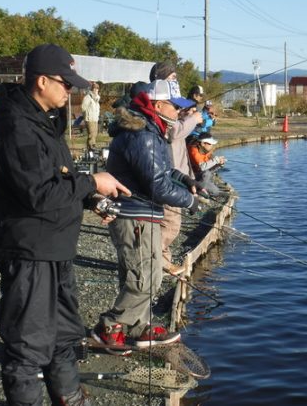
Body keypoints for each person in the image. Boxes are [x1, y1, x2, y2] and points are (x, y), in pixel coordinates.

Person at [0, 43, 130, 406]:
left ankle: (70, 398)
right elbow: (39, 194)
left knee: (65, 337)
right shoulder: (17, 128)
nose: (71, 91)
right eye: (65, 84)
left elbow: (60, 178)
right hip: (31, 253)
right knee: (27, 348)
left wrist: (91, 198)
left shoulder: (46, 124)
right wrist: (91, 183)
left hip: (56, 250)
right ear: (41, 81)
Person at [92, 79, 199, 350]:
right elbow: (157, 185)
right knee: (143, 280)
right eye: (175, 106)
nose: (179, 112)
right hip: (133, 215)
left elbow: (161, 170)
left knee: (148, 276)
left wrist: (186, 180)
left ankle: (138, 327)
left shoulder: (152, 130)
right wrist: (190, 202)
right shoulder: (142, 134)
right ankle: (109, 326)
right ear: (158, 104)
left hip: (144, 215)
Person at [161, 99, 204, 275]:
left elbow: (184, 157)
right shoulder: (170, 126)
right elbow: (174, 134)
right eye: (178, 108)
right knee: (170, 224)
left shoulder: (179, 126)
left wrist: (192, 181)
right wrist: (193, 119)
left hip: (179, 180)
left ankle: (162, 261)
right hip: (170, 182)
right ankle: (159, 263)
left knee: (170, 223)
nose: (181, 111)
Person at [188, 132, 226, 196]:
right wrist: (216, 160)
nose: (212, 145)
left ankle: (200, 188)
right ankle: (199, 191)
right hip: (191, 175)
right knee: (206, 173)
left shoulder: (206, 151)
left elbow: (210, 168)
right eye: (210, 144)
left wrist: (219, 164)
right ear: (203, 144)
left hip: (200, 176)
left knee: (215, 192)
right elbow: (202, 167)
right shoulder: (193, 150)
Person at [81, 81, 100, 150]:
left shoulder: (97, 98)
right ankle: (92, 147)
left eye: (97, 88)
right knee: (91, 134)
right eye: (94, 88)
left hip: (95, 118)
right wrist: (86, 115)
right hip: (89, 118)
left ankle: (90, 148)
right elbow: (83, 107)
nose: (96, 90)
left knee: (95, 134)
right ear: (92, 89)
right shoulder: (88, 97)